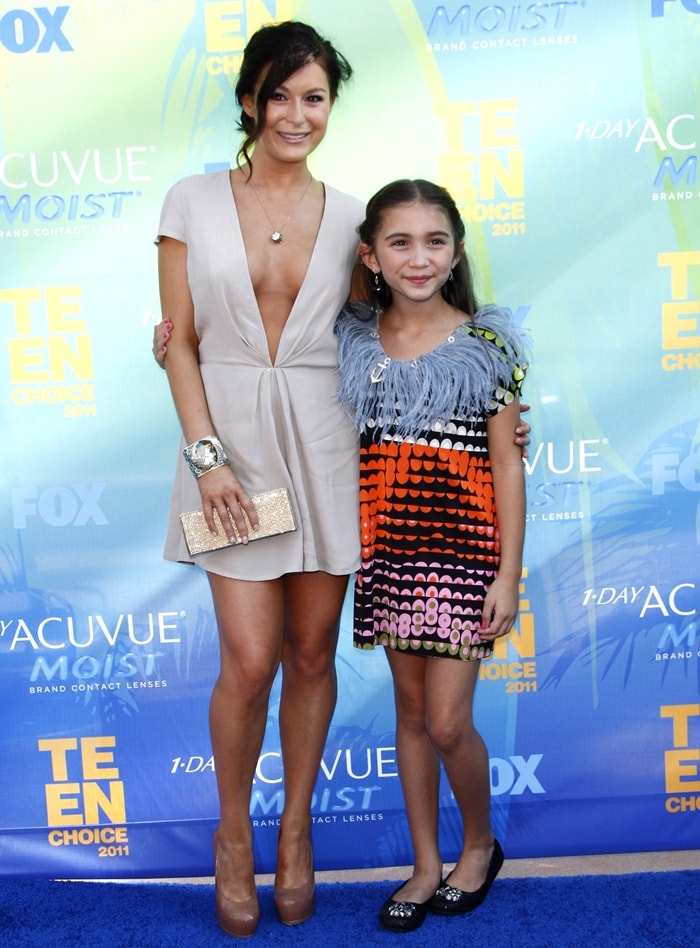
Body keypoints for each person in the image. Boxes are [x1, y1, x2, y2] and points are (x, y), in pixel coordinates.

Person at [154, 20, 531, 939]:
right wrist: (206, 460)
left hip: (327, 447)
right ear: (250, 100)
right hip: (227, 454)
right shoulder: (189, 200)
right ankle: (235, 834)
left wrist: (499, 402)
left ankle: (297, 832)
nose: (296, 113)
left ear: (330, 106)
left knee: (313, 654)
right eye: (278, 95)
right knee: (249, 661)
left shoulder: (357, 215)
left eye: (313, 97)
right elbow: (181, 343)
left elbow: (402, 329)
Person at [334, 179, 528, 933]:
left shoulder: (488, 344)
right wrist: (177, 338)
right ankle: (422, 862)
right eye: (400, 242)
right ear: (372, 255)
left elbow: (508, 463)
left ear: (456, 252)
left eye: (436, 241)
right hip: (388, 552)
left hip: (465, 554)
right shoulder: (355, 336)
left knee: (448, 722)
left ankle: (478, 844)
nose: (419, 257)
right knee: (410, 714)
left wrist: (506, 572)